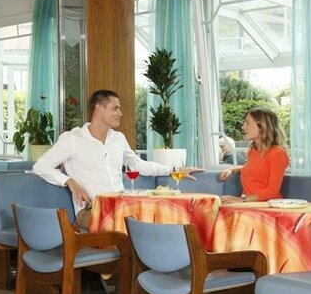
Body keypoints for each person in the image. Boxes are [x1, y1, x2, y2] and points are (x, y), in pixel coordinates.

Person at [33, 89, 200, 228]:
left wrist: (174, 170)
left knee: (162, 217)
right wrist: (69, 181)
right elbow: (40, 166)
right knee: (133, 225)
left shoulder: (118, 139)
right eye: (115, 109)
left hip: (123, 206)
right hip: (92, 210)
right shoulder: (72, 139)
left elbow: (137, 164)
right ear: (99, 109)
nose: (120, 113)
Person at [219, 107, 288, 203]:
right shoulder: (253, 150)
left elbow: (272, 191)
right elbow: (256, 168)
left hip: (267, 206)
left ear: (262, 127)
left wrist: (239, 200)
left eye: (248, 123)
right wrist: (231, 169)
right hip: (249, 204)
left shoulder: (278, 154)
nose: (243, 127)